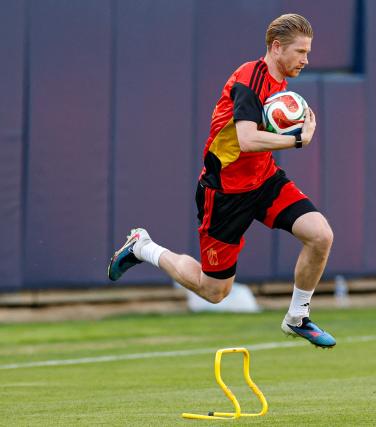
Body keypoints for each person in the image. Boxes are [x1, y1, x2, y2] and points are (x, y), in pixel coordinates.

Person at [107, 14, 336, 348]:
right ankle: (143, 247)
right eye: (300, 51)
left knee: (320, 235)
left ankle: (297, 317)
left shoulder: (279, 83)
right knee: (214, 291)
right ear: (276, 47)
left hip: (264, 180)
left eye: (308, 51)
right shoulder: (250, 79)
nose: (306, 59)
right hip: (225, 194)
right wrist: (297, 139)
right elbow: (246, 140)